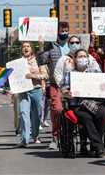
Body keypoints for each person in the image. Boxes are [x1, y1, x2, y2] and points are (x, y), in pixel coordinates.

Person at [60, 49, 105, 157]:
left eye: (85, 56)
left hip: (94, 102)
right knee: (86, 117)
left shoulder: (95, 72)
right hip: (78, 104)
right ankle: (98, 146)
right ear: (75, 59)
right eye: (80, 57)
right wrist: (67, 93)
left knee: (102, 113)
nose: (82, 59)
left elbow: (103, 86)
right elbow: (63, 89)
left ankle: (95, 144)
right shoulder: (70, 74)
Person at [38, 21, 71, 150]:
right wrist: (41, 47)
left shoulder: (73, 43)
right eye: (62, 30)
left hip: (73, 83)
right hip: (55, 83)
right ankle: (55, 136)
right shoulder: (51, 45)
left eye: (66, 30)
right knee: (57, 109)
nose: (64, 32)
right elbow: (42, 60)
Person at [16, 42, 49, 147]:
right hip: (23, 90)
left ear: (31, 49)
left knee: (37, 114)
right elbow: (14, 76)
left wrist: (33, 76)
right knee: (23, 113)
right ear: (21, 49)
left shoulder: (38, 60)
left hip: (36, 89)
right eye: (23, 47)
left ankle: (35, 135)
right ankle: (24, 139)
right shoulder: (18, 62)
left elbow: (45, 75)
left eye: (28, 46)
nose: (25, 48)